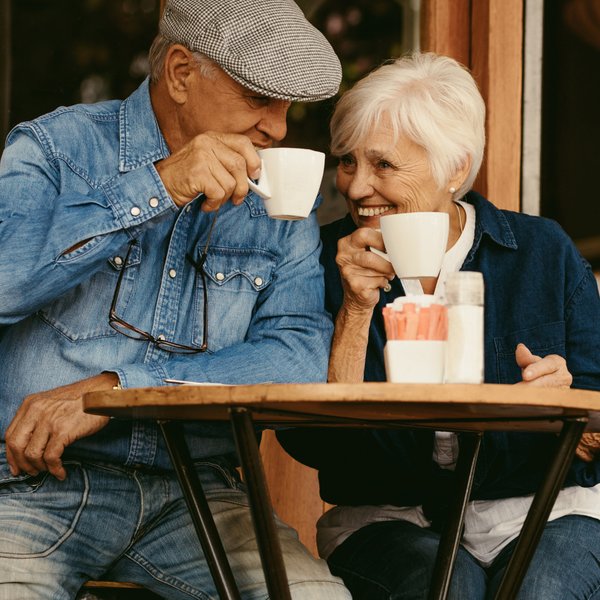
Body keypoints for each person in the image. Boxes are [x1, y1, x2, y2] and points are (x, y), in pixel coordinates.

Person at [0, 0, 352, 598]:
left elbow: (296, 356)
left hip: (203, 494)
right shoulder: (56, 149)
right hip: (35, 487)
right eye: (258, 97)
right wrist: (158, 185)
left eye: (288, 104)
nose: (279, 127)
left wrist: (120, 390)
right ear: (182, 73)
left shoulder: (279, 196)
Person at [278, 52, 600, 599]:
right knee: (446, 588)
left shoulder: (542, 251)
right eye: (347, 162)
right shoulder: (317, 261)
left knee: (545, 589)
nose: (355, 188)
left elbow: (597, 408)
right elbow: (310, 441)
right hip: (386, 519)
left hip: (542, 512)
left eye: (383, 165)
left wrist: (565, 406)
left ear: (455, 167)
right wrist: (355, 310)